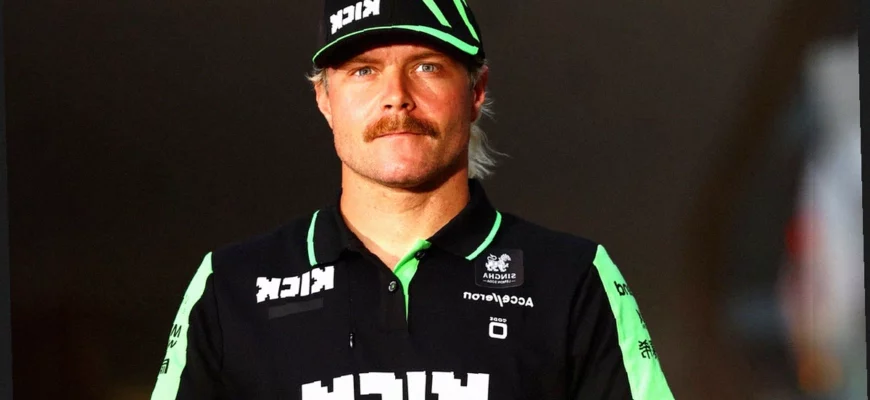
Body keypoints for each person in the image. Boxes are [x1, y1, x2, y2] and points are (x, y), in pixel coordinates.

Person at [150, 0, 674, 398]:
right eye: (363, 70)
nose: (396, 96)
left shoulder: (573, 278)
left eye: (427, 66)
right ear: (324, 99)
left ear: (476, 91)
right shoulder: (229, 285)